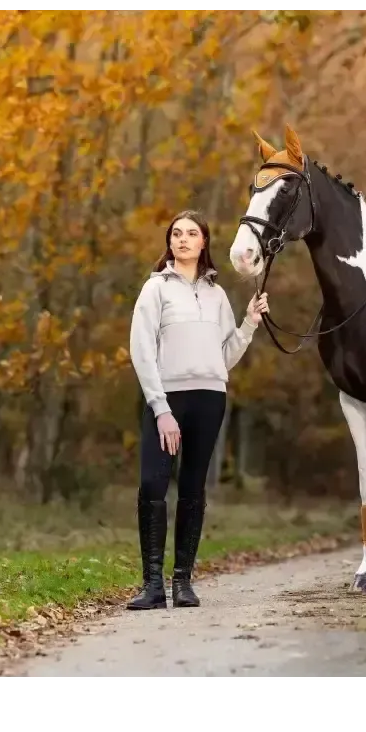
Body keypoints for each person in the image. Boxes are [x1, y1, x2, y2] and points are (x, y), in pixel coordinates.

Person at [127, 209, 268, 609]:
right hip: (167, 398)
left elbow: (224, 357)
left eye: (191, 234)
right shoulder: (155, 290)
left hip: (210, 398)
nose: (183, 239)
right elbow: (142, 353)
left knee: (193, 487)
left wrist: (250, 323)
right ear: (169, 242)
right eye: (176, 234)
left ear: (204, 242)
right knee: (153, 485)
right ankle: (152, 585)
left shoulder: (216, 294)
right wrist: (161, 408)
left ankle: (183, 582)